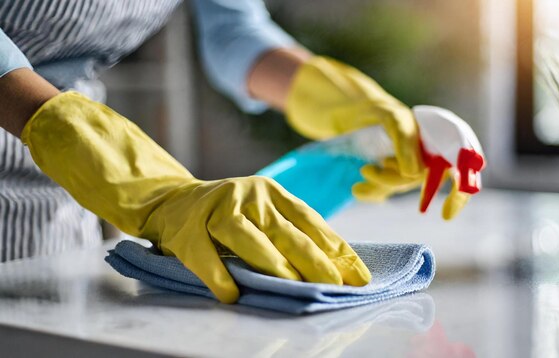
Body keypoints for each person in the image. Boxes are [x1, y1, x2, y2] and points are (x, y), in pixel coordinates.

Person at [0, 0, 434, 304]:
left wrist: (339, 100)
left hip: (62, 182)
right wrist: (157, 190)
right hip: (58, 134)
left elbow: (235, 30)